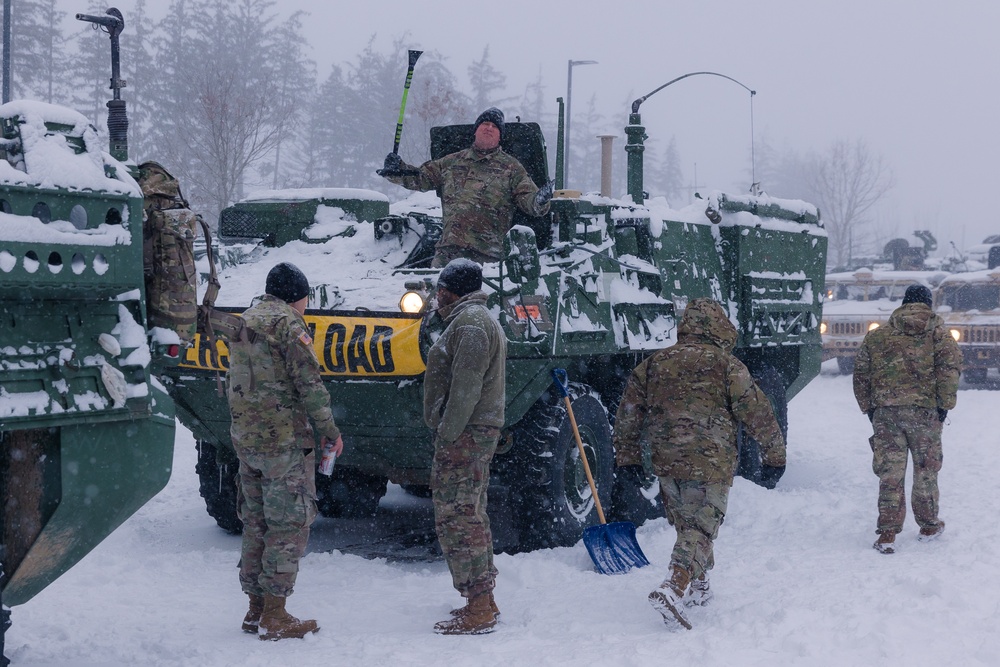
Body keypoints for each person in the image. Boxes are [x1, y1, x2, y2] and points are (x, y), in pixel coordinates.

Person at [613, 298, 785, 631]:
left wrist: (628, 456)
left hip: (666, 459)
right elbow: (757, 412)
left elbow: (629, 413)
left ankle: (700, 585)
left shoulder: (654, 364)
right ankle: (674, 586)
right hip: (711, 459)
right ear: (718, 325)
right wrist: (774, 455)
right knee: (701, 527)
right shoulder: (726, 365)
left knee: (687, 524)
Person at [227, 262, 344, 641]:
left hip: (247, 440)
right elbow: (309, 384)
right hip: (282, 443)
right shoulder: (289, 324)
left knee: (256, 521)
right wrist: (329, 430)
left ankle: (254, 609)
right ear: (298, 296)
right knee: (288, 524)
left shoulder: (245, 319)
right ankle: (275, 615)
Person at [422, 259, 507, 635]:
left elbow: (466, 388)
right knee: (471, 511)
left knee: (459, 517)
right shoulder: (468, 320)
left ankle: (478, 606)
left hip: (465, 433)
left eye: (440, 291)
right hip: (470, 431)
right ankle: (483, 599)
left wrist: (448, 432)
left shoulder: (471, 324)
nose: (436, 297)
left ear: (451, 291)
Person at [853, 284, 961, 555]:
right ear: (928, 304)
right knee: (926, 469)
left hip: (886, 413)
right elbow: (949, 372)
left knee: (890, 472)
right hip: (924, 413)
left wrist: (869, 409)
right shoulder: (940, 335)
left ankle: (887, 533)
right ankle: (928, 526)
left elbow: (861, 375)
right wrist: (944, 407)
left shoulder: (877, 336)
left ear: (903, 303)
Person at [380, 106, 553, 267]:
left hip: (488, 258)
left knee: (480, 300)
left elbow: (529, 200)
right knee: (432, 300)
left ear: (500, 136)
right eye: (485, 123)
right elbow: (421, 178)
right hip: (447, 254)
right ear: (476, 130)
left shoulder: (512, 168)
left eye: (495, 126)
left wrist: (540, 200)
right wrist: (397, 170)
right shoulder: (451, 162)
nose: (489, 128)